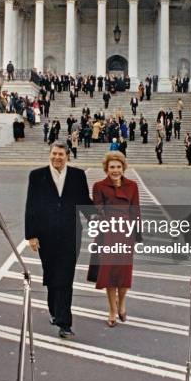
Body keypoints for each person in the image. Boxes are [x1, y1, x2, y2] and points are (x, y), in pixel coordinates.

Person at [25, 142, 93, 338]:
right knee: (52, 276)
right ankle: (54, 310)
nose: (57, 157)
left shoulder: (77, 176)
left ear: (67, 156)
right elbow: (31, 205)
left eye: (61, 154)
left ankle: (64, 323)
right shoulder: (37, 176)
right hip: (45, 236)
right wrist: (31, 235)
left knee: (66, 278)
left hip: (70, 236)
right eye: (54, 154)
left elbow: (84, 201)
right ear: (50, 155)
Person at [90, 152, 141, 326]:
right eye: (112, 167)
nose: (115, 170)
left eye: (118, 167)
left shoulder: (132, 186)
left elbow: (135, 210)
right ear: (106, 169)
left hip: (126, 233)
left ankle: (123, 303)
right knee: (110, 273)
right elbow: (98, 207)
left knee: (124, 272)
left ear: (123, 168)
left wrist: (137, 235)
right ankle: (112, 309)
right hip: (108, 233)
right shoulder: (98, 186)